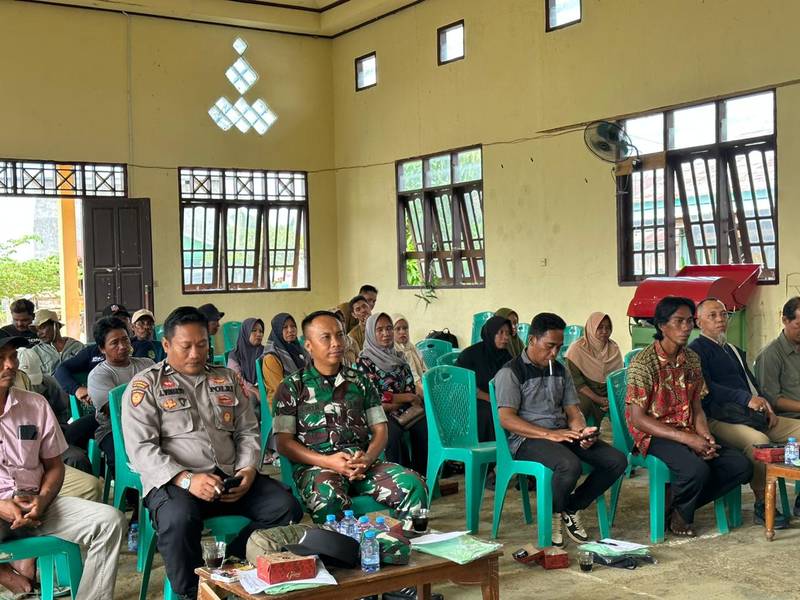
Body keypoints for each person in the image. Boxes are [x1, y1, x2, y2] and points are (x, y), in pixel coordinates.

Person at [123, 307, 302, 600]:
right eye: (186, 346)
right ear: (167, 345)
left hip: (228, 478)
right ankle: (191, 593)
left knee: (286, 508)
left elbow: (247, 430)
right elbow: (141, 448)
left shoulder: (227, 378)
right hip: (174, 483)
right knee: (179, 521)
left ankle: (227, 567)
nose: (196, 353)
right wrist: (187, 480)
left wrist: (247, 470)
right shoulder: (147, 385)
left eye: (202, 344)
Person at [0, 334, 125, 599]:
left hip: (37, 504)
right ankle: (11, 576)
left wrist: (42, 501)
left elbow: (55, 466)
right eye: (1, 359)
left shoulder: (34, 404)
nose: (10, 365)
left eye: (11, 357)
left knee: (110, 521)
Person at [274, 311, 428, 524]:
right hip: (319, 467)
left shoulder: (361, 382)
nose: (336, 343)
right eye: (326, 337)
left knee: (414, 485)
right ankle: (344, 552)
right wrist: (328, 461)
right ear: (308, 346)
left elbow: (381, 429)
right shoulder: (292, 387)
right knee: (328, 499)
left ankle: (407, 544)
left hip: (363, 463)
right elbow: (283, 443)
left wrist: (367, 458)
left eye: (339, 335)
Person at [495, 312, 627, 546]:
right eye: (550, 346)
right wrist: (549, 434)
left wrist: (581, 431)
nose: (554, 353)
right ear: (532, 339)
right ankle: (554, 516)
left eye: (559, 347)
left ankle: (571, 507)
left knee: (616, 460)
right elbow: (506, 418)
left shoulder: (560, 369)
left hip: (561, 433)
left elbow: (572, 410)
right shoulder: (511, 372)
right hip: (527, 440)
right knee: (569, 465)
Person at [626, 297, 753, 537]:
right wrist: (688, 440)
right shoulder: (644, 363)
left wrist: (704, 434)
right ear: (662, 325)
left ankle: (679, 508)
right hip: (654, 432)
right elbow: (638, 419)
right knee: (696, 470)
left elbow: (696, 405)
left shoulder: (692, 359)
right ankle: (681, 514)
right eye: (679, 321)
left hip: (688, 428)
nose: (686, 327)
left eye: (688, 321)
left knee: (740, 466)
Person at [690, 297, 800, 526]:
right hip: (718, 418)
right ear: (698, 322)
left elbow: (750, 384)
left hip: (750, 414)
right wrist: (746, 398)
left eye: (723, 314)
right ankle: (762, 503)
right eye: (713, 316)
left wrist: (766, 405)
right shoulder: (696, 352)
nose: (720, 319)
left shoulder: (732, 349)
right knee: (759, 441)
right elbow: (707, 388)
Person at [357, 313, 428, 476]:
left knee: (425, 429)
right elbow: (374, 395)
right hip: (377, 412)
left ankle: (420, 477)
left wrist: (398, 401)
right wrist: (406, 398)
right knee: (391, 434)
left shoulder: (400, 358)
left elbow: (410, 388)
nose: (386, 333)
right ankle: (399, 480)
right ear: (370, 333)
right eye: (379, 330)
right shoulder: (364, 362)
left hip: (403, 411)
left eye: (389, 328)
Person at [87, 317, 155, 480]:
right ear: (102, 349)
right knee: (124, 459)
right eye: (114, 343)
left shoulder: (147, 364)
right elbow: (116, 413)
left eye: (125, 339)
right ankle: (131, 498)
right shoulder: (99, 375)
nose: (123, 346)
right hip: (114, 429)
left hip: (152, 424)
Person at [54, 304, 160, 404]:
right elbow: (61, 369)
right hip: (107, 407)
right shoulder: (92, 354)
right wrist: (77, 389)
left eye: (123, 319)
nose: (122, 346)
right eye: (114, 319)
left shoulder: (142, 347)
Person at [456, 315, 513, 445]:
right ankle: (492, 456)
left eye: (508, 333)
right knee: (490, 413)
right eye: (501, 333)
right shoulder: (470, 355)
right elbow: (462, 384)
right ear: (490, 333)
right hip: (470, 402)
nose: (505, 337)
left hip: (498, 401)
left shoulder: (506, 357)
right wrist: (489, 398)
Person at [565, 312, 623, 425]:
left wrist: (610, 398)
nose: (605, 331)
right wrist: (598, 399)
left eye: (608, 327)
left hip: (608, 392)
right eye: (600, 327)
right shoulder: (576, 349)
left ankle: (624, 438)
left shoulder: (613, 348)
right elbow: (576, 383)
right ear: (591, 328)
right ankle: (579, 436)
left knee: (627, 403)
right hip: (585, 391)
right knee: (582, 404)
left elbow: (618, 378)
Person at [755, 296, 800, 418]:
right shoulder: (770, 355)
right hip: (791, 418)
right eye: (798, 325)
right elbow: (772, 400)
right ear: (785, 320)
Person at [261, 313, 309, 411]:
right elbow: (280, 388)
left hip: (302, 393)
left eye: (293, 326)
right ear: (278, 331)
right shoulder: (271, 358)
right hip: (281, 401)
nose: (290, 330)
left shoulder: (298, 348)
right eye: (285, 327)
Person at [17, 309, 83, 378]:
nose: (39, 333)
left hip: (76, 387)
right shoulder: (35, 352)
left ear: (56, 326)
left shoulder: (78, 347)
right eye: (37, 330)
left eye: (42, 328)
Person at [226, 318, 265, 414]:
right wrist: (255, 391)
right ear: (245, 332)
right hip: (243, 388)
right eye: (254, 331)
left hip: (264, 388)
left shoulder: (265, 352)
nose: (259, 334)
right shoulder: (235, 354)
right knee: (248, 399)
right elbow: (236, 378)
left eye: (261, 331)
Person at [392, 313, 426, 396]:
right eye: (398, 329)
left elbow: (424, 369)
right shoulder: (393, 352)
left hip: (421, 385)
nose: (402, 332)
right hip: (407, 390)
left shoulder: (412, 347)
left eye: (405, 328)